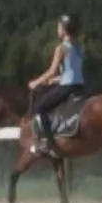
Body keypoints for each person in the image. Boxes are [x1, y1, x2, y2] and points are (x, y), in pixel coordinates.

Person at [27, 13, 86, 157]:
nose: (57, 29)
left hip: (67, 87)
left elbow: (52, 71)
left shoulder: (61, 48)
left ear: (64, 30)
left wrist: (36, 82)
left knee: (39, 107)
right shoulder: (79, 48)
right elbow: (72, 71)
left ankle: (47, 142)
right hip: (79, 86)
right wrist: (56, 80)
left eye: (59, 27)